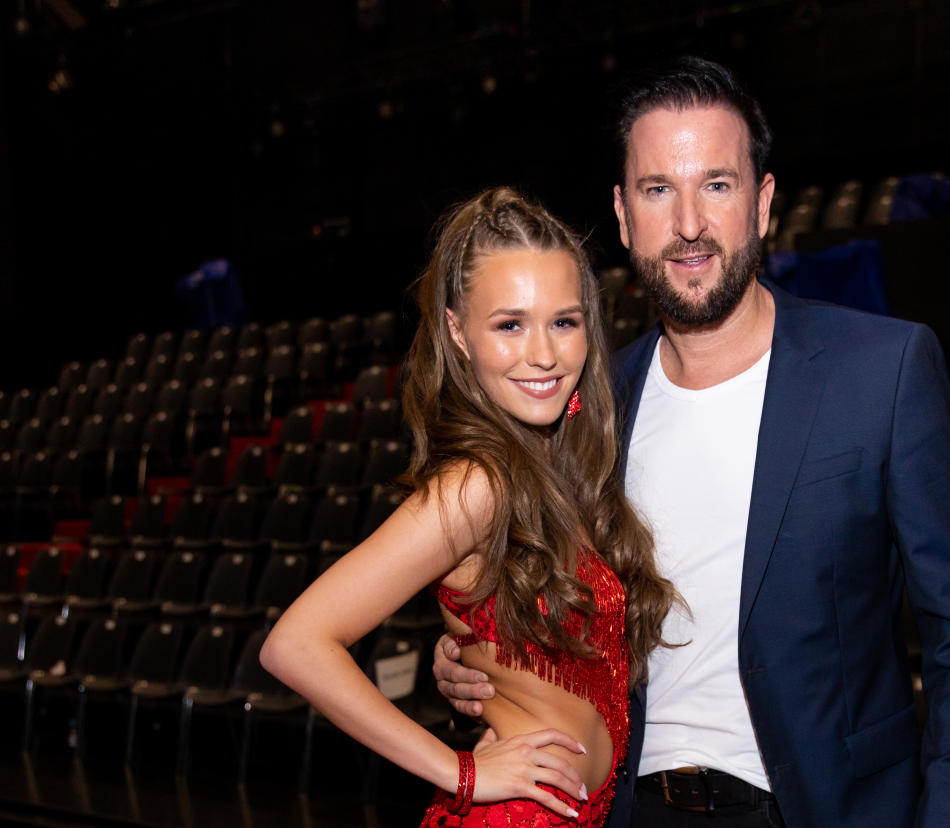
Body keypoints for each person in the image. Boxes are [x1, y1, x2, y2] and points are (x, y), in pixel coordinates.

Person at [434, 58, 950, 827]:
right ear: (622, 212)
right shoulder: (586, 404)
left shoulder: (885, 372)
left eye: (717, 184)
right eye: (657, 190)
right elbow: (557, 615)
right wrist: (482, 663)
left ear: (763, 202)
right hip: (629, 809)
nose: (689, 225)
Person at [261, 187, 678, 827]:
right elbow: (295, 644)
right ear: (457, 331)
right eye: (509, 324)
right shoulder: (478, 483)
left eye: (563, 322)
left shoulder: (563, 473)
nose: (543, 353)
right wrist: (461, 772)